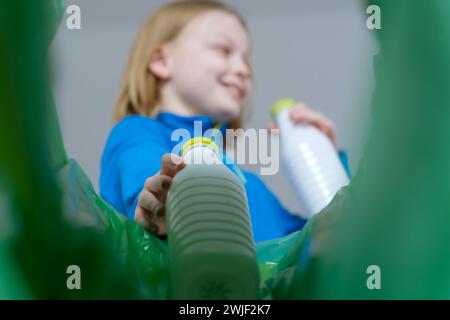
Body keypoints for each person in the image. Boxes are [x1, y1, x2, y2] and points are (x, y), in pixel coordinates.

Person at [100, 0, 347, 242]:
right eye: (224, 50)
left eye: (246, 61)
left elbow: (330, 240)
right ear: (162, 62)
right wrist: (160, 202)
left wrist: (331, 162)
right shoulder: (136, 132)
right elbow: (144, 176)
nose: (243, 69)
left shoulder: (252, 187)